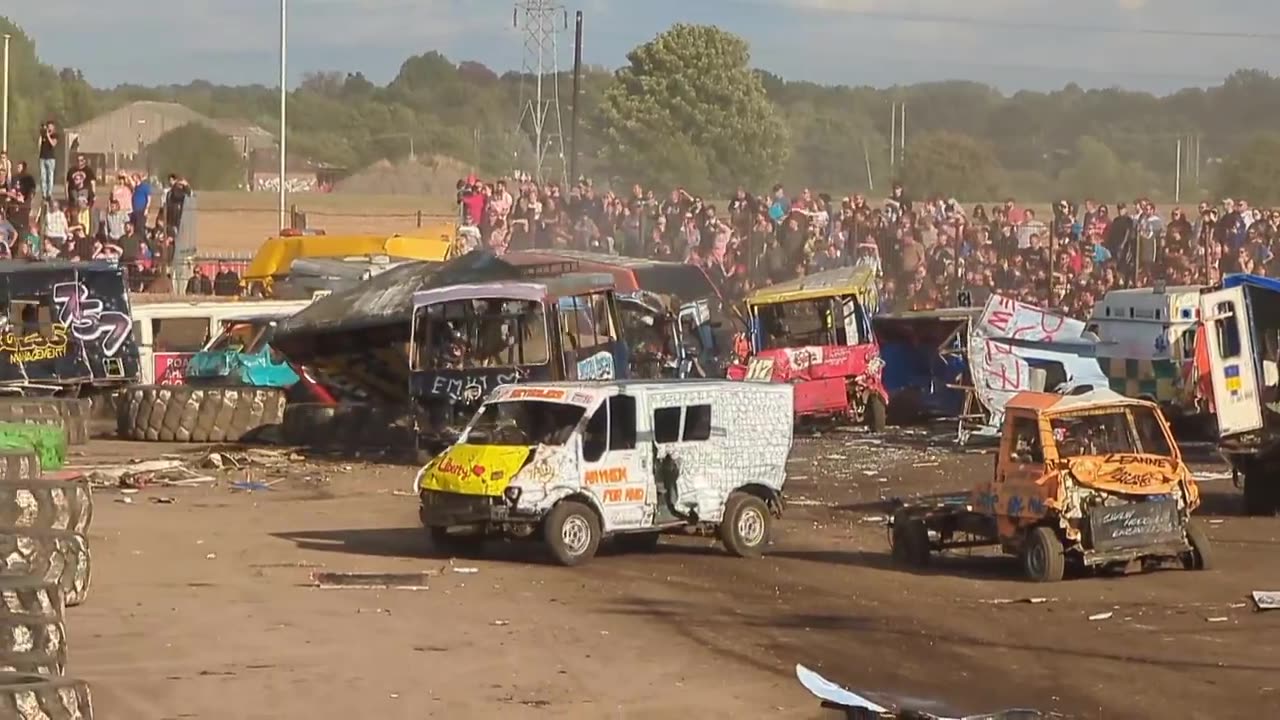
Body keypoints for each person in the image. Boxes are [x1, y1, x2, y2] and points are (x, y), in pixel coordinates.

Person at [37, 121, 59, 201]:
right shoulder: (43, 135)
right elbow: (39, 146)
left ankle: (49, 193)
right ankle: (44, 193)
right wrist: (41, 134)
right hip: (42, 158)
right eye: (48, 126)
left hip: (50, 158)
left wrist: (48, 136)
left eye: (50, 126)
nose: (49, 128)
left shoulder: (55, 135)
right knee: (43, 177)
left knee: (50, 176)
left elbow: (53, 144)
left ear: (53, 127)